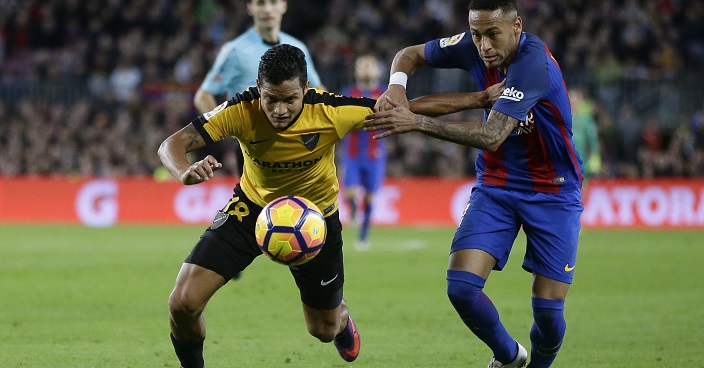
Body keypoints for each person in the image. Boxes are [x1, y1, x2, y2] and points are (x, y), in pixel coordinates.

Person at [366, 1, 584, 367]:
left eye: (493, 35)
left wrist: (416, 122)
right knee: (462, 288)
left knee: (547, 313)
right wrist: (397, 88)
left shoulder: (533, 65)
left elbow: (492, 135)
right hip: (496, 185)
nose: (483, 45)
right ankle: (510, 356)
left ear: (517, 26)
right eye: (477, 34)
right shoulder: (473, 43)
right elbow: (408, 54)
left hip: (553, 191)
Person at [159, 44, 363, 368]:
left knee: (323, 329)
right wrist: (183, 170)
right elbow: (172, 144)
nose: (279, 110)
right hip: (251, 208)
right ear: (258, 88)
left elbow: (404, 110)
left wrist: (474, 99)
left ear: (306, 90)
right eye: (271, 99)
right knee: (182, 303)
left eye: (289, 99)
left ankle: (341, 319)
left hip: (314, 218)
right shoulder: (241, 110)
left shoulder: (331, 111)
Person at [193, 0, 324, 177]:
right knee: (259, 204)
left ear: (283, 5)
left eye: (273, 2)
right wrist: (231, 137)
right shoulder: (235, 51)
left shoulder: (298, 48)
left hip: (293, 147)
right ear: (250, 8)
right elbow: (203, 96)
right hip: (253, 150)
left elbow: (319, 91)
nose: (268, 9)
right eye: (261, 3)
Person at [339, 54, 386, 250]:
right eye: (362, 66)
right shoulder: (348, 92)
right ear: (357, 70)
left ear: (377, 71)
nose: (366, 69)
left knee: (370, 196)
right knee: (349, 192)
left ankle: (363, 235)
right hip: (352, 153)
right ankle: (353, 209)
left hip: (374, 154)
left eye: (370, 65)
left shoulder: (385, 93)